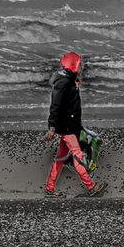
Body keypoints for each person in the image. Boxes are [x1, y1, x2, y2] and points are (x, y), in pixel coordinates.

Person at [44, 51, 107, 198]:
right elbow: (55, 106)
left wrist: (76, 86)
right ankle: (91, 188)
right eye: (80, 65)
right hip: (67, 128)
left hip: (71, 126)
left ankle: (49, 189)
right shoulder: (63, 83)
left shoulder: (70, 81)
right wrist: (52, 128)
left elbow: (70, 103)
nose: (82, 67)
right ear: (74, 65)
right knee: (78, 156)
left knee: (60, 158)